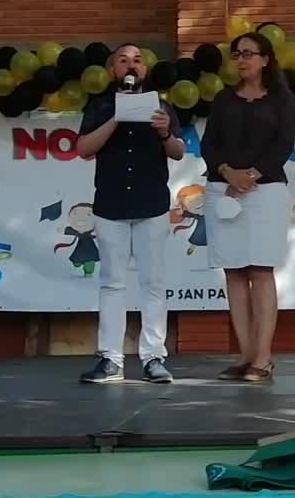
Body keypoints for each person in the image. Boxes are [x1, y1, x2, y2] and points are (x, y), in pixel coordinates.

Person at [76, 44, 185, 384]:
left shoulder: (161, 106)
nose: (131, 66)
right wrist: (116, 118)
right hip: (111, 206)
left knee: (153, 284)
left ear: (145, 70)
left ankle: (153, 358)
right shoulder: (100, 106)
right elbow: (83, 149)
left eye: (137, 61)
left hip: (151, 206)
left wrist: (164, 131)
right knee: (112, 283)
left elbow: (179, 152)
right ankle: (111, 359)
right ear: (113, 71)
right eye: (123, 61)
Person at [201, 32, 295, 382]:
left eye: (248, 54)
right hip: (223, 188)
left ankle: (263, 358)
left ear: (265, 59)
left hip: (266, 190)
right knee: (234, 271)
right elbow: (209, 144)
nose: (241, 60)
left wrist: (252, 175)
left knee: (260, 270)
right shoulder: (224, 99)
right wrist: (228, 172)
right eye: (237, 54)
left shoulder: (282, 99)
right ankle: (244, 355)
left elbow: (283, 144)